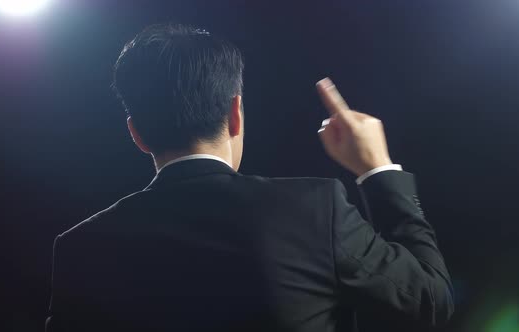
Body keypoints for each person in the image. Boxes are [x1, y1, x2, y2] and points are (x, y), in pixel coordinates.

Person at [46, 23, 454, 332]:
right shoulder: (314, 210)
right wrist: (376, 169)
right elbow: (429, 300)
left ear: (136, 133)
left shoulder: (79, 249)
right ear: (236, 113)